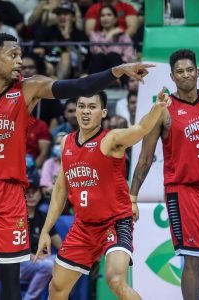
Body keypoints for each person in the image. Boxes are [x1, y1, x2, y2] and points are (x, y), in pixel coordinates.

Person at [0, 32, 154, 300]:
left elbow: (78, 88)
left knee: (9, 272)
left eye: (20, 54)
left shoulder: (28, 88)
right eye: (13, 55)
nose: (20, 61)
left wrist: (116, 71)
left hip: (11, 192)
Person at [35, 89, 171, 300]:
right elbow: (61, 189)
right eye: (82, 106)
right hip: (83, 226)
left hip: (115, 223)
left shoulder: (111, 140)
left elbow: (141, 128)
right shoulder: (66, 143)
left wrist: (157, 108)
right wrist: (45, 231)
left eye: (92, 107)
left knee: (115, 281)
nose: (86, 112)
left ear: (104, 112)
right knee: (57, 288)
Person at [130, 49, 199, 300]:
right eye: (180, 72)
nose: (185, 75)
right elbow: (145, 158)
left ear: (198, 72)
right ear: (172, 77)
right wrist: (132, 197)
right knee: (193, 260)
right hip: (184, 192)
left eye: (189, 70)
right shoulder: (162, 110)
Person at [20, 174, 62, 300]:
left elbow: (59, 244)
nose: (31, 195)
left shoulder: (43, 217)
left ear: (40, 193)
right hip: (20, 264)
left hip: (42, 260)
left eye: (34, 191)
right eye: (27, 192)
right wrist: (31, 256)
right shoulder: (16, 216)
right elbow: (11, 247)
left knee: (65, 264)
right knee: (48, 266)